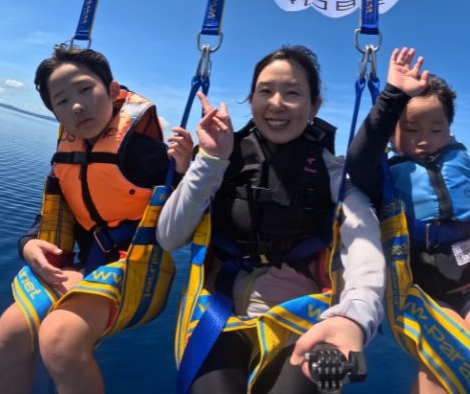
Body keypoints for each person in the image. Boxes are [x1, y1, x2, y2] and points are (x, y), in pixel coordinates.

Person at [156, 45, 385, 394]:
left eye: (292, 93)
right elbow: (169, 238)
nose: (276, 103)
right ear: (250, 99)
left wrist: (355, 316)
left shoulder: (334, 174)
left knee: (323, 378)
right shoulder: (221, 158)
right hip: (221, 313)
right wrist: (211, 160)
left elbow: (364, 243)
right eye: (265, 91)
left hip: (310, 318)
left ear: (315, 106)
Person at [346, 47, 470, 394]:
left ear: (450, 131)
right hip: (420, 294)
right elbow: (358, 156)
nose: (425, 138)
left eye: (437, 128)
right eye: (410, 129)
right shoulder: (382, 175)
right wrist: (393, 95)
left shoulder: (462, 164)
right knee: (442, 368)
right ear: (392, 137)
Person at [0, 45, 192, 394]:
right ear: (55, 113)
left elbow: (189, 221)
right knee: (9, 333)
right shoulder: (67, 157)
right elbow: (54, 213)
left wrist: (189, 171)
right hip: (82, 268)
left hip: (137, 271)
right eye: (62, 101)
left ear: (113, 92)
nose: (77, 106)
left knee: (60, 342)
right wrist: (29, 245)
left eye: (85, 90)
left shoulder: (149, 155)